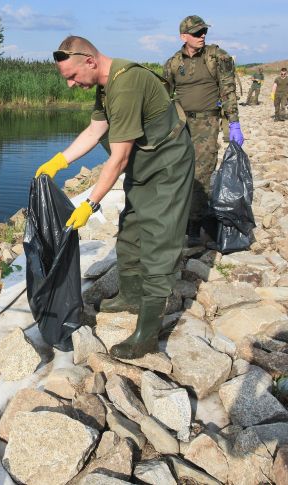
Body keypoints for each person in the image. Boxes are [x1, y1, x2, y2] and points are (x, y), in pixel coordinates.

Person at [36, 36, 195, 359]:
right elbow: (95, 131)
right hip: (146, 163)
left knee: (158, 240)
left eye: (71, 76)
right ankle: (131, 296)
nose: (69, 85)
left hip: (168, 167)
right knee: (131, 228)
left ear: (90, 62)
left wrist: (89, 204)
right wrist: (59, 161)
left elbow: (118, 159)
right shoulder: (106, 86)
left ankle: (147, 335)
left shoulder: (126, 84)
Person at [162, 15, 244, 245]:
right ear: (183, 36)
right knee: (178, 172)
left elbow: (228, 90)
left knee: (202, 174)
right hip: (179, 125)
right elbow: (161, 95)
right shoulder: (173, 63)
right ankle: (178, 218)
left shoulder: (217, 57)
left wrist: (234, 123)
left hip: (207, 125)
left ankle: (195, 227)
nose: (202, 36)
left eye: (204, 32)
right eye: (197, 33)